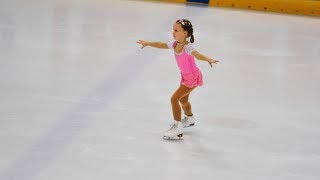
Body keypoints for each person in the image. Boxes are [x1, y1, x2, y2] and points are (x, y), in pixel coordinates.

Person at [137, 19, 219, 139]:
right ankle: (190, 119)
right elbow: (161, 44)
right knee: (183, 101)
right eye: (173, 30)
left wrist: (208, 59)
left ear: (185, 33)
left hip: (192, 77)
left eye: (176, 30)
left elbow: (197, 54)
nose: (173, 32)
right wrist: (149, 43)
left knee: (174, 99)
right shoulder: (175, 44)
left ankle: (177, 128)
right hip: (185, 77)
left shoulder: (188, 47)